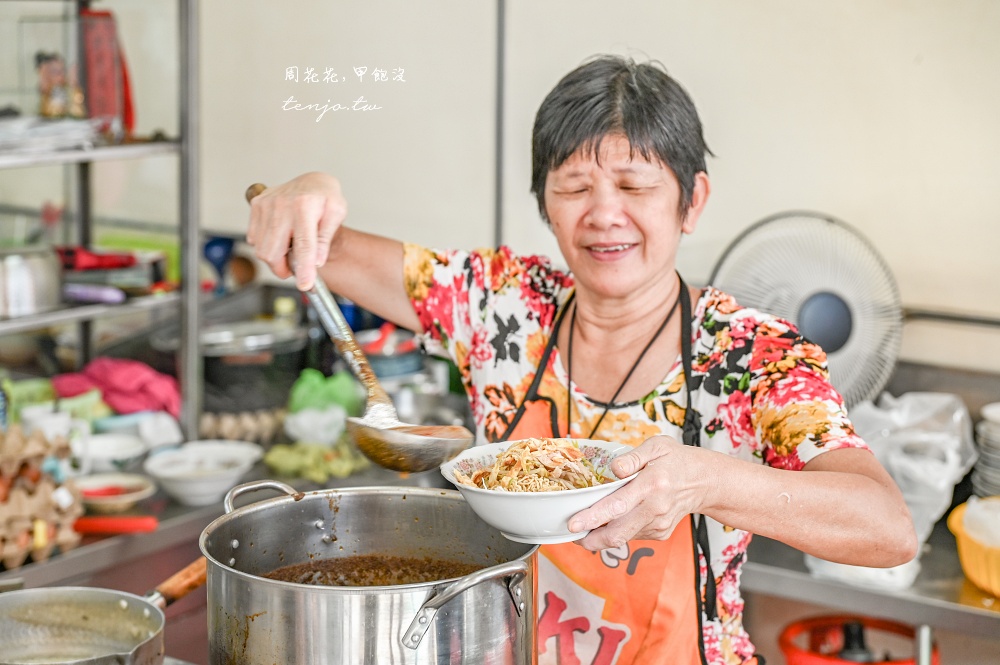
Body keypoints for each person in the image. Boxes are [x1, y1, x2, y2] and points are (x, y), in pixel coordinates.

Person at [247, 55, 917, 665]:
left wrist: (706, 482)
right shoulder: (503, 304)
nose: (604, 214)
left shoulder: (749, 354)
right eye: (574, 187)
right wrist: (309, 194)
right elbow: (321, 247)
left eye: (634, 185)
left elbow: (887, 527)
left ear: (692, 201)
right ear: (544, 201)